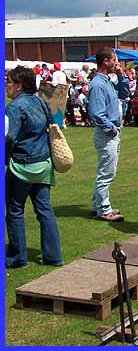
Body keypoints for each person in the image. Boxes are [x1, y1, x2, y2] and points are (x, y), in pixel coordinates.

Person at [5, 66, 63, 268]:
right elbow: (54, 123)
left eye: (9, 82)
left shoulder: (14, 107)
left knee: (14, 211)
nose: (6, 85)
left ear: (19, 86)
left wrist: (5, 159)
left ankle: (17, 257)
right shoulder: (40, 101)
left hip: (22, 166)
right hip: (43, 164)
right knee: (45, 211)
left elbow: (10, 137)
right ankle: (53, 256)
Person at [88, 47, 124, 221]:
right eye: (114, 59)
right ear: (105, 61)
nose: (116, 62)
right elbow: (96, 113)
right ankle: (103, 208)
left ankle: (98, 204)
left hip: (111, 132)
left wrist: (122, 75)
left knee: (106, 171)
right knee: (106, 172)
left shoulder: (107, 81)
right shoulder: (98, 84)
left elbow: (124, 93)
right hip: (106, 133)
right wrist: (112, 128)